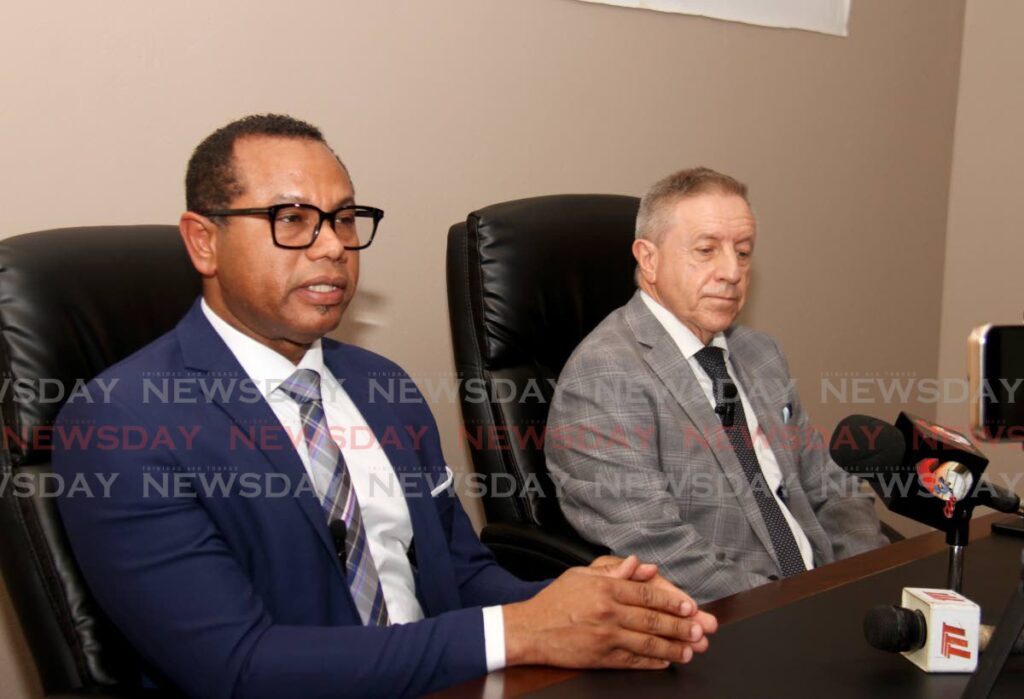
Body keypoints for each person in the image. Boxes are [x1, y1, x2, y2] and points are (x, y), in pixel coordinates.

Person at [52, 115, 717, 699]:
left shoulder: (382, 385)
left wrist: (588, 603)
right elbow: (236, 667)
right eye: (291, 220)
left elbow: (458, 572)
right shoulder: (120, 423)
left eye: (344, 218)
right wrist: (519, 630)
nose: (334, 245)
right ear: (203, 241)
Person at [545, 167, 888, 605]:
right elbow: (661, 550)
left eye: (743, 253)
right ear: (648, 259)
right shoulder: (603, 377)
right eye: (706, 250)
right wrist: (796, 610)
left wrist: (867, 577)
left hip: (829, 594)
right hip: (738, 621)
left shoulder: (760, 353)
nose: (731, 271)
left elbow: (830, 488)